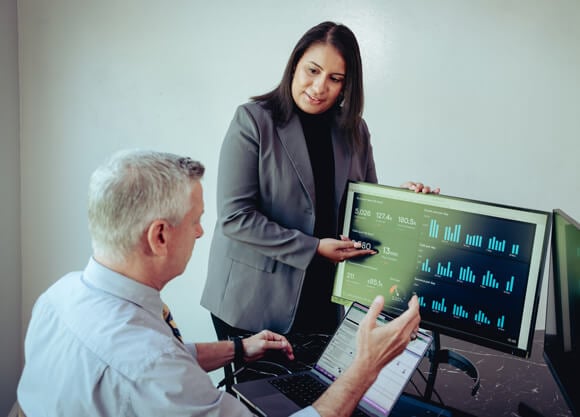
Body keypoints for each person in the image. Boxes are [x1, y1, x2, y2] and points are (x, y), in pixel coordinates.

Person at [17, 149, 421, 417]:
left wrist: (239, 349)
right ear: (159, 236)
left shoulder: (59, 296)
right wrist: (366, 366)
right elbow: (151, 365)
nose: (199, 233)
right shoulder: (152, 367)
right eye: (195, 220)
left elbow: (151, 359)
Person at [200, 21, 438, 340]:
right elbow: (235, 218)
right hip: (253, 301)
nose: (319, 87)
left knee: (318, 391)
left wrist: (406, 202)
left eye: (334, 78)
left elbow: (365, 212)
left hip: (324, 297)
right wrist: (313, 249)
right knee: (261, 392)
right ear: (295, 65)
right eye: (312, 70)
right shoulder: (253, 121)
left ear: (346, 84)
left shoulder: (355, 130)